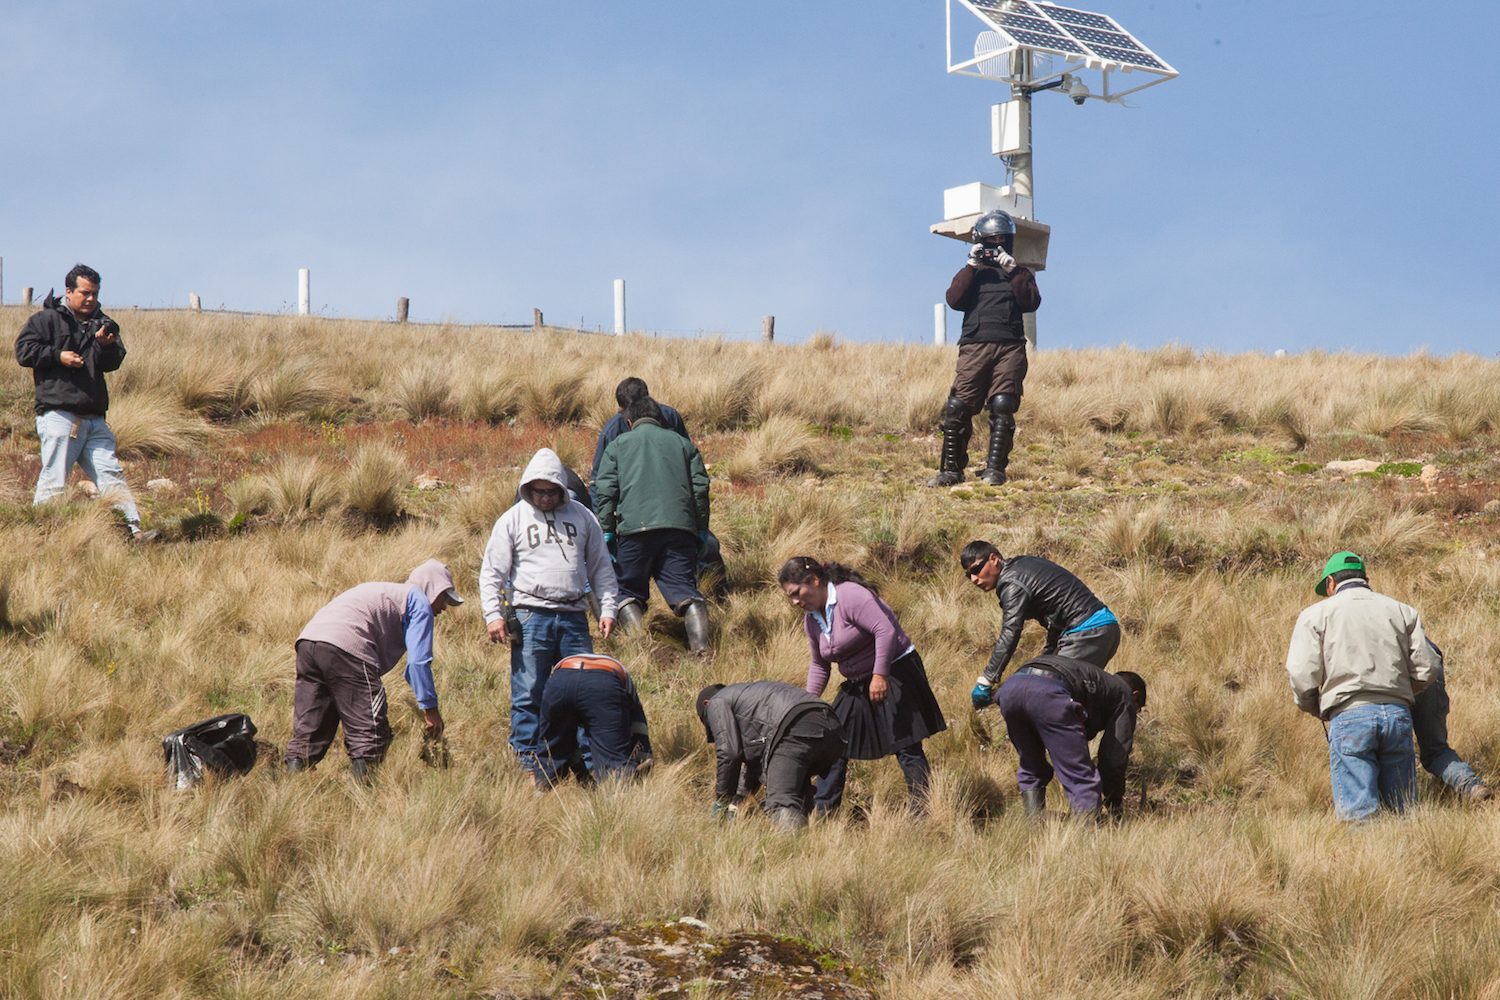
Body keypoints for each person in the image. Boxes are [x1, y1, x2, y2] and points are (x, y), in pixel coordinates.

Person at [480, 448, 619, 769]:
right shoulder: (512, 519)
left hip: (573, 618)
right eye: (538, 491)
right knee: (529, 693)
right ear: (528, 488)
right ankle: (530, 764)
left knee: (582, 692)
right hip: (529, 618)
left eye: (551, 491)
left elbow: (601, 568)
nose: (544, 498)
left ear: (561, 488)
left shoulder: (583, 517)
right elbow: (491, 573)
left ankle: (586, 763)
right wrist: (493, 616)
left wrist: (608, 609)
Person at [778, 556, 947, 816]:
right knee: (832, 742)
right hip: (858, 681)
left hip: (895, 669)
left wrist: (880, 675)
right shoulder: (812, 620)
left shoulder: (850, 596)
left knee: (905, 743)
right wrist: (806, 704)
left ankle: (923, 812)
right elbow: (819, 665)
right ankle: (825, 813)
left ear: (814, 581)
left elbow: (885, 631)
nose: (795, 602)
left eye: (797, 593)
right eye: (790, 597)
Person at [1285, 551, 1439, 822]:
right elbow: (1428, 668)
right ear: (1366, 579)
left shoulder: (1315, 614)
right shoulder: (1402, 611)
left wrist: (1316, 707)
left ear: (1331, 583)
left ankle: (1368, 864)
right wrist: (1398, 693)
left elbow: (1301, 675)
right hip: (1397, 716)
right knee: (1402, 815)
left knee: (1360, 818)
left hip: (1349, 717)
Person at [13, 264, 157, 541]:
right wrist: (58, 356)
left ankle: (133, 534)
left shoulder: (102, 324)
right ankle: (41, 537)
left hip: (94, 418)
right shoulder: (46, 320)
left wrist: (105, 344)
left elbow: (113, 362)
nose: (91, 299)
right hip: (58, 414)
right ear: (69, 291)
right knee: (54, 480)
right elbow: (23, 351)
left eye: (95, 293)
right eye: (85, 293)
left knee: (111, 475)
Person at [286, 559, 463, 779]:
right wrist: (431, 711)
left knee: (312, 724)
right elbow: (417, 664)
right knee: (370, 729)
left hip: (308, 642)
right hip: (346, 647)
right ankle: (362, 797)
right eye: (445, 598)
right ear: (432, 590)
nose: (445, 607)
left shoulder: (387, 591)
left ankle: (292, 781)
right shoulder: (418, 600)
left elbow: (411, 670)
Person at [928, 209, 1042, 488]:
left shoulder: (1021, 273)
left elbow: (1031, 303)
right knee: (957, 407)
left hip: (1010, 347)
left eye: (1003, 239)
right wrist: (970, 266)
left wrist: (1013, 270)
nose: (997, 245)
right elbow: (954, 300)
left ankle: (995, 470)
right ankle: (952, 471)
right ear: (981, 242)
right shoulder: (972, 274)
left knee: (1003, 404)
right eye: (992, 240)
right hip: (974, 345)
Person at [595, 396, 712, 653]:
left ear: (629, 421)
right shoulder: (684, 445)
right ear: (660, 419)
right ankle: (703, 651)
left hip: (634, 531)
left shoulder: (617, 446)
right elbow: (700, 490)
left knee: (627, 590)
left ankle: (641, 651)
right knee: (685, 589)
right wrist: (700, 529)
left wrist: (607, 530)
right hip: (680, 530)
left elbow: (605, 492)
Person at [960, 541, 1120, 711]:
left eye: (976, 570)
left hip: (1087, 633)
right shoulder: (1022, 565)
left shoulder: (1011, 582)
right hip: (1104, 629)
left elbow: (1010, 632)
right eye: (968, 575)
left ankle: (1123, 703)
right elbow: (1056, 619)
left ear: (994, 559)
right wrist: (1046, 658)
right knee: (1074, 700)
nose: (973, 579)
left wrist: (987, 680)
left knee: (1047, 696)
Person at [986, 654, 1146, 821]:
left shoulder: (1096, 680)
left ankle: (1034, 825)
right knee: (1080, 775)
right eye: (1137, 709)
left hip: (1011, 689)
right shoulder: (1124, 694)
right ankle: (1088, 835)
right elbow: (1113, 759)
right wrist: (1115, 806)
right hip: (1049, 692)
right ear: (1135, 695)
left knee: (1031, 763)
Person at [697, 680, 847, 831]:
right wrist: (739, 798)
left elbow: (730, 754)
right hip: (833, 731)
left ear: (706, 704)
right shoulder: (752, 700)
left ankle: (791, 852)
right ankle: (808, 847)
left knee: (781, 801)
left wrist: (722, 800)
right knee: (798, 794)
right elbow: (755, 762)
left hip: (796, 725)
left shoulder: (716, 702)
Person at [532, 654, 653, 789]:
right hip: (604, 683)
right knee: (613, 763)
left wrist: (581, 774)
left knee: (551, 753)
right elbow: (639, 729)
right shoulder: (626, 687)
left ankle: (542, 795)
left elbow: (565, 741)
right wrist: (641, 763)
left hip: (560, 679)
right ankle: (619, 799)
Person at [589, 376, 690, 509]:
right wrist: (601, 522)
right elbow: (598, 480)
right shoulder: (612, 431)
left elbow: (688, 462)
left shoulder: (670, 417)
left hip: (671, 499)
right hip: (632, 504)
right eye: (622, 412)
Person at [1415, 639, 1490, 801]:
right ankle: (1472, 787)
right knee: (1436, 750)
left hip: (1399, 674)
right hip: (1430, 666)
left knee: (1395, 749)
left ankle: (1401, 807)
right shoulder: (1402, 614)